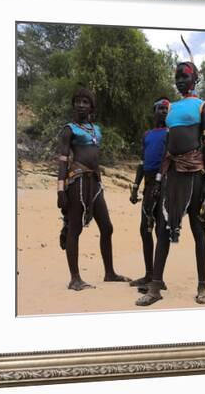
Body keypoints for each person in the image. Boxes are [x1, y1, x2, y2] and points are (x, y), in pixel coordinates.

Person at [136, 51, 205, 306]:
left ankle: (202, 286)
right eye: (177, 77)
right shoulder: (171, 108)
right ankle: (155, 286)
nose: (180, 80)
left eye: (185, 76)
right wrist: (159, 178)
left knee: (198, 229)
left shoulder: (202, 106)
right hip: (172, 175)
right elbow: (169, 146)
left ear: (195, 79)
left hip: (195, 175)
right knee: (163, 229)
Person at [57, 87, 131, 290]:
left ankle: (109, 273)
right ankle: (75, 278)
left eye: (85, 102)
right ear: (73, 105)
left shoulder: (96, 129)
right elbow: (63, 161)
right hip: (77, 182)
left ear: (91, 107)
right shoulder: (68, 129)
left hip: (95, 183)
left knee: (107, 227)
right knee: (75, 228)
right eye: (78, 101)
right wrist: (60, 190)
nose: (81, 104)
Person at [129, 97, 170, 293]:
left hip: (164, 185)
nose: (163, 112)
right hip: (148, 184)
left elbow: (169, 159)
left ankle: (157, 278)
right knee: (144, 229)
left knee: (161, 230)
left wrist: (161, 182)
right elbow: (141, 162)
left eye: (166, 109)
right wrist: (135, 186)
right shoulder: (147, 134)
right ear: (154, 111)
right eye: (160, 109)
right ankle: (148, 273)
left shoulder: (171, 133)